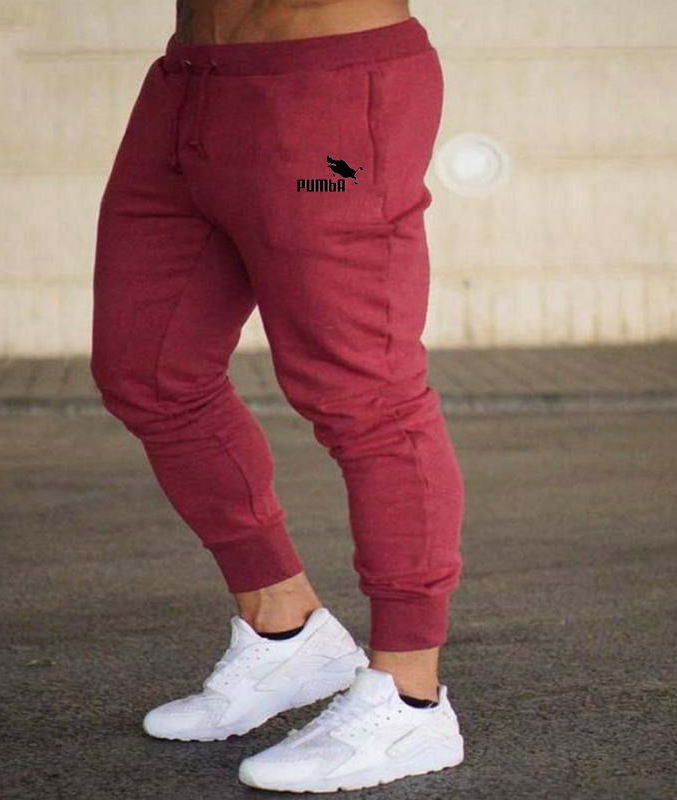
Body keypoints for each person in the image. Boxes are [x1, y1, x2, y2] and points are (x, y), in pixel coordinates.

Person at [90, 0, 466, 791]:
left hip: (326, 84)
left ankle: (410, 698)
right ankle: (286, 631)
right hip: (188, 85)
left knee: (367, 397)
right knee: (148, 371)